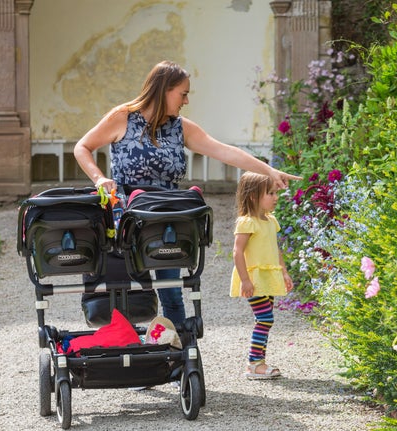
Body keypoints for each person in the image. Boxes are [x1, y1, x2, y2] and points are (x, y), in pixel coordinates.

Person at [74, 60, 300, 325]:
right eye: (183, 93)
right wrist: (99, 178)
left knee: (171, 292)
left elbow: (225, 151)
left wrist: (268, 171)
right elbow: (82, 147)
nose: (186, 100)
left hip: (166, 217)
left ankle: (177, 351)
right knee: (127, 289)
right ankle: (126, 351)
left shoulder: (181, 127)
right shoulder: (122, 117)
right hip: (127, 216)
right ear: (164, 90)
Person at [230, 172, 294, 379]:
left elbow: (275, 249)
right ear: (253, 196)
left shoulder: (270, 221)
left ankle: (258, 363)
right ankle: (255, 364)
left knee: (266, 320)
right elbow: (237, 252)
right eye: (270, 193)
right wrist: (245, 280)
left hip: (269, 276)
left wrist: (283, 272)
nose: (275, 197)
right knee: (265, 318)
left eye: (275, 193)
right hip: (255, 279)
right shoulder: (247, 222)